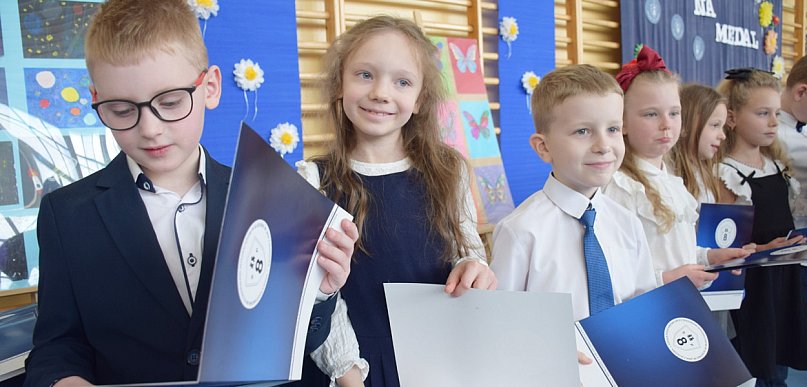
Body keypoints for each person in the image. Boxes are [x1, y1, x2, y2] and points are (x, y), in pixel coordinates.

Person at [24, 1, 358, 386]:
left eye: (169, 103)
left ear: (210, 87)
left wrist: (319, 294)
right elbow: (57, 345)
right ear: (97, 98)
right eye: (120, 110)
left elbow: (298, 343)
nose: (150, 129)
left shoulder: (271, 197)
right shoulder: (65, 214)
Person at [292, 16, 497, 387]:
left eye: (401, 81)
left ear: (419, 99)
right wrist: (349, 375)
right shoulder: (312, 180)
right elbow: (317, 295)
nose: (381, 93)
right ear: (340, 84)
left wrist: (473, 267)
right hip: (348, 370)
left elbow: (466, 250)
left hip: (433, 363)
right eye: (365, 75)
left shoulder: (450, 171)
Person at [490, 63, 657, 321]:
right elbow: (500, 322)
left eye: (612, 129)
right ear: (543, 147)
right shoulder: (521, 231)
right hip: (552, 362)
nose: (603, 145)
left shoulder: (628, 224)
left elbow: (644, 307)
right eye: (583, 131)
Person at [603, 46, 747, 290]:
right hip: (649, 312)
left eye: (674, 113)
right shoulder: (620, 186)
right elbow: (612, 271)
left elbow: (675, 250)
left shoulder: (670, 180)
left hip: (680, 305)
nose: (666, 125)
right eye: (651, 114)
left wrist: (709, 256)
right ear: (622, 122)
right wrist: (666, 279)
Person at [717, 67, 807, 386]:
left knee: (779, 365)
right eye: (762, 113)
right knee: (754, 366)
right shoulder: (727, 173)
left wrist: (790, 242)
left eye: (776, 114)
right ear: (732, 118)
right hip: (752, 291)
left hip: (783, 281)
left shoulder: (776, 165)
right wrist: (763, 249)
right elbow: (725, 244)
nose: (773, 122)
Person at [669, 84, 728, 205]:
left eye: (722, 127)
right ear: (685, 125)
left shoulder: (707, 174)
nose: (723, 136)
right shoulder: (670, 175)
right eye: (715, 125)